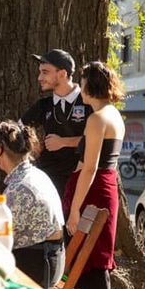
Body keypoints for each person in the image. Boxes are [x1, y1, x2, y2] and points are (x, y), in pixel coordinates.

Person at [0, 121, 65, 289]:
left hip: (36, 268)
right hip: (50, 259)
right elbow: (5, 210)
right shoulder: (34, 175)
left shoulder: (19, 188)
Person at [63, 62, 124, 289]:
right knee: (93, 257)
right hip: (102, 187)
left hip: (94, 191)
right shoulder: (112, 114)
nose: (80, 87)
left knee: (93, 257)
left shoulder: (98, 118)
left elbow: (89, 168)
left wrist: (75, 209)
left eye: (82, 81)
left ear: (91, 85)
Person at [21, 49, 92, 200]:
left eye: (45, 72)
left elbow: (100, 140)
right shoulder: (43, 105)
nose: (39, 78)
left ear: (62, 74)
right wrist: (34, 146)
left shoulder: (88, 102)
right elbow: (17, 130)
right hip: (48, 181)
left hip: (81, 179)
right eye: (40, 72)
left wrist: (64, 142)